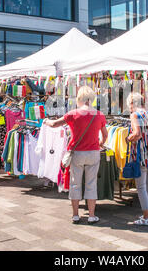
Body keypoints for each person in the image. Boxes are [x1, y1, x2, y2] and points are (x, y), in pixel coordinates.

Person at [43, 86, 108, 224]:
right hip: (93, 152)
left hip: (77, 152)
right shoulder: (99, 115)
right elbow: (105, 134)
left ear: (79, 99)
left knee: (75, 184)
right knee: (91, 183)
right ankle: (91, 215)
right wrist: (100, 143)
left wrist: (46, 121)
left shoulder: (73, 114)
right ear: (92, 99)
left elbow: (54, 124)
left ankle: (75, 215)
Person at [126, 93, 148, 226]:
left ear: (132, 103)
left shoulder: (135, 115)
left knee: (141, 187)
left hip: (141, 154)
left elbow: (137, 134)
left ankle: (145, 218)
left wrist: (128, 138)